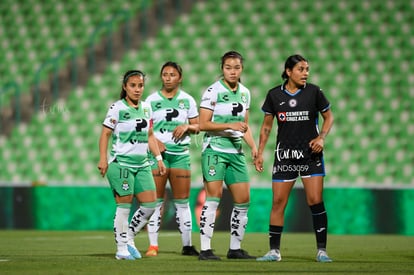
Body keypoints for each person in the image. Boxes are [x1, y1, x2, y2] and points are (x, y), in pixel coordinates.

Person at [254, 54, 334, 263]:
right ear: (288, 72)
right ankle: (274, 251)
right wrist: (260, 152)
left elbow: (329, 117)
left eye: (307, 69)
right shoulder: (274, 95)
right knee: (278, 202)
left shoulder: (314, 92)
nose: (305, 73)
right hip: (285, 156)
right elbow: (266, 127)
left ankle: (322, 251)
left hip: (310, 155)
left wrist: (322, 137)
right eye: (301, 69)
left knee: (315, 201)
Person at [98, 70, 166, 260]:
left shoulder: (147, 108)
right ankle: (121, 249)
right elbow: (105, 134)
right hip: (121, 165)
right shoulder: (117, 108)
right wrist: (103, 159)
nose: (137, 89)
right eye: (133, 85)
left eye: (140, 85)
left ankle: (128, 237)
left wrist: (159, 158)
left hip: (143, 165)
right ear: (125, 87)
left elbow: (150, 135)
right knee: (124, 207)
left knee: (151, 206)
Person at [198, 51, 257, 260]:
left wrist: (254, 148)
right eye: (228, 67)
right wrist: (228, 125)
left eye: (236, 67)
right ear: (222, 68)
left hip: (236, 152)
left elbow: (244, 126)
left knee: (243, 201)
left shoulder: (245, 93)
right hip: (215, 149)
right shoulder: (213, 91)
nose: (233, 71)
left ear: (242, 69)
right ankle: (205, 249)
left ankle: (235, 249)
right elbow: (203, 124)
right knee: (213, 198)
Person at [144, 61, 200, 257]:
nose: (168, 78)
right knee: (156, 202)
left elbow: (198, 126)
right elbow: (142, 128)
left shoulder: (188, 100)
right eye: (165, 74)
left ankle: (187, 245)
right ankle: (153, 246)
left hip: (180, 156)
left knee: (182, 202)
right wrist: (155, 141)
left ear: (180, 78)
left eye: (172, 74)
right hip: (158, 156)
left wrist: (187, 127)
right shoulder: (150, 101)